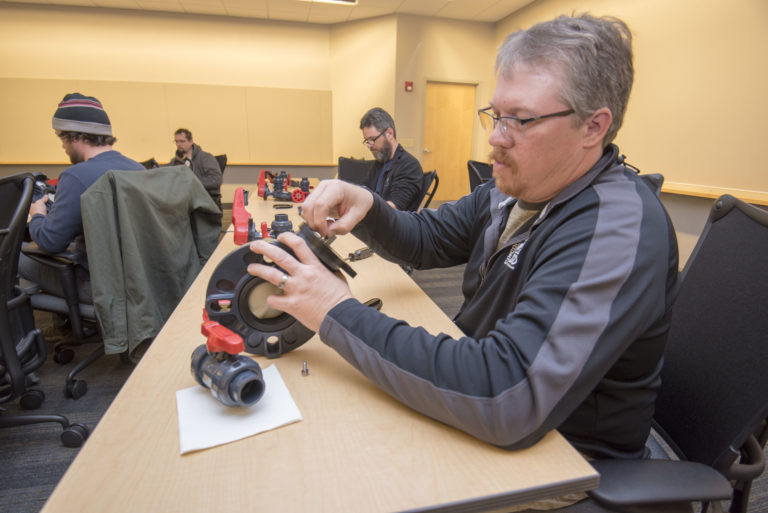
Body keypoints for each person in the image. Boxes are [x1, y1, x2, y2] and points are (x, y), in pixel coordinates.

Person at [247, 13, 679, 509]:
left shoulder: (615, 226)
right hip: (489, 406)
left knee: (348, 484)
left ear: (592, 127)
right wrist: (367, 204)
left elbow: (509, 395)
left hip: (563, 459)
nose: (496, 137)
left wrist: (333, 309)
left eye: (521, 120)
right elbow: (426, 238)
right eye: (496, 115)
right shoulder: (513, 192)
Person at [20, 92, 145, 306]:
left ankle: (28, 325)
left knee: (11, 257)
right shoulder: (139, 169)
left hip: (99, 288)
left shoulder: (76, 176)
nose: (62, 146)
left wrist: (37, 213)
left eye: (61, 137)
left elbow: (51, 241)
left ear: (75, 137)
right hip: (141, 284)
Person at [359, 108, 423, 210]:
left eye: (372, 139)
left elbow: (393, 207)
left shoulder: (409, 166)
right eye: (367, 141)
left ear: (389, 133)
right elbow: (364, 190)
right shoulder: (380, 163)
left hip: (388, 219)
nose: (369, 146)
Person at [168, 128, 222, 209]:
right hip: (183, 201)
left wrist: (191, 183)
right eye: (176, 141)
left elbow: (216, 180)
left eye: (182, 141)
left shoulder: (206, 158)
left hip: (204, 202)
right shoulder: (175, 161)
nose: (178, 144)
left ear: (191, 141)